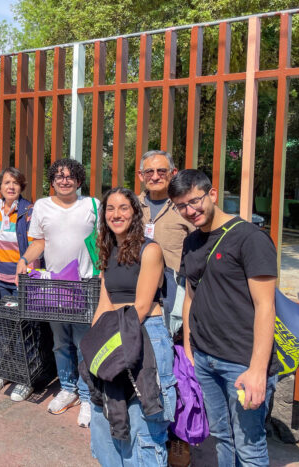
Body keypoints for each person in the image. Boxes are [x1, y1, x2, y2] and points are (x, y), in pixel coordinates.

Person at [170, 170, 278, 465]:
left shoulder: (250, 238)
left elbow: (265, 306)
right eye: (181, 206)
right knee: (219, 437)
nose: (190, 211)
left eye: (195, 201)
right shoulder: (191, 242)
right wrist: (191, 351)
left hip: (241, 362)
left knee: (250, 447)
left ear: (212, 194)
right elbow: (191, 296)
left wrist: (257, 369)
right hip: (205, 359)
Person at [88, 187, 176, 465]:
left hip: (143, 334)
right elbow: (104, 301)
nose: (116, 214)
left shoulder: (150, 249)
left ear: (135, 213)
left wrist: (112, 344)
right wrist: (92, 345)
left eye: (123, 208)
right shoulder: (107, 248)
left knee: (142, 420)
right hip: (113, 335)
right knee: (106, 417)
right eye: (110, 208)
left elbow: (141, 305)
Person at [16, 158, 98, 427]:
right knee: (61, 342)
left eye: (71, 176)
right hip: (54, 285)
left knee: (85, 343)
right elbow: (39, 242)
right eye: (60, 176)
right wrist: (24, 260)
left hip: (86, 284)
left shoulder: (91, 205)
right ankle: (68, 389)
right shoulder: (42, 206)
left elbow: (103, 242)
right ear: (52, 181)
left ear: (79, 180)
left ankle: (87, 396)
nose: (65, 180)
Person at [0, 167, 38, 401]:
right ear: (0, 186)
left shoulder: (29, 211)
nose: (11, 187)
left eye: (16, 183)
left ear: (21, 186)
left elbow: (36, 244)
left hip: (21, 280)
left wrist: (27, 271)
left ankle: (24, 378)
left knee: (22, 329)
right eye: (7, 182)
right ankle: (3, 370)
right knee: (1, 327)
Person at [137, 150, 193, 335]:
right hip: (136, 289)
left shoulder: (187, 207)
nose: (155, 177)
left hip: (174, 293)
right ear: (140, 176)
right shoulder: (131, 207)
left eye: (161, 171)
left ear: (173, 173)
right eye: (149, 172)